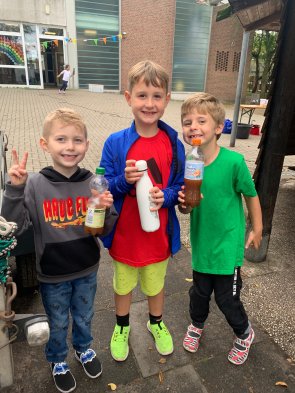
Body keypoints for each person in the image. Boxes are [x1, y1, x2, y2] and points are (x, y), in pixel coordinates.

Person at [1, 108, 118, 393]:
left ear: (87, 146)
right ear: (45, 144)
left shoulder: (94, 182)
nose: (70, 147)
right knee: (57, 320)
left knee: (84, 316)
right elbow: (13, 226)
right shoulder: (35, 185)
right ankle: (57, 360)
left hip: (87, 268)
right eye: (61, 139)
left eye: (77, 140)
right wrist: (14, 190)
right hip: (53, 273)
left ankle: (83, 348)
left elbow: (105, 229)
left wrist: (106, 210)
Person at [100, 60, 185, 362]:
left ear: (167, 100)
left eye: (156, 96)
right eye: (142, 95)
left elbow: (179, 184)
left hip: (157, 236)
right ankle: (121, 327)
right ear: (128, 98)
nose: (149, 103)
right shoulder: (115, 143)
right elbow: (104, 185)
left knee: (155, 284)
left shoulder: (173, 143)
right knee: (123, 285)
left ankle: (156, 322)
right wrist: (124, 181)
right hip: (125, 235)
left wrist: (168, 196)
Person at [178, 92, 263, 365]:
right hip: (202, 244)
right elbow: (187, 207)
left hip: (227, 246)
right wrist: (185, 205)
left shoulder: (233, 162)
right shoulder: (190, 163)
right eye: (187, 121)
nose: (193, 126)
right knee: (199, 294)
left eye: (200, 120)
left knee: (228, 299)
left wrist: (257, 228)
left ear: (217, 128)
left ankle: (244, 333)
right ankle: (196, 324)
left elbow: (251, 195)